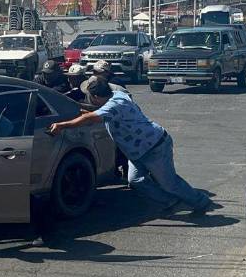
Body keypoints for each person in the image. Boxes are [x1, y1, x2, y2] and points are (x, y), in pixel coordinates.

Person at [48, 77, 220, 217]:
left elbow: (91, 118)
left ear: (95, 97)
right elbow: (96, 114)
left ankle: (201, 203)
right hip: (138, 151)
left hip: (154, 147)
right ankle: (171, 202)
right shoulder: (116, 96)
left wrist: (62, 125)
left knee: (170, 183)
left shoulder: (114, 105)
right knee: (136, 180)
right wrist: (89, 112)